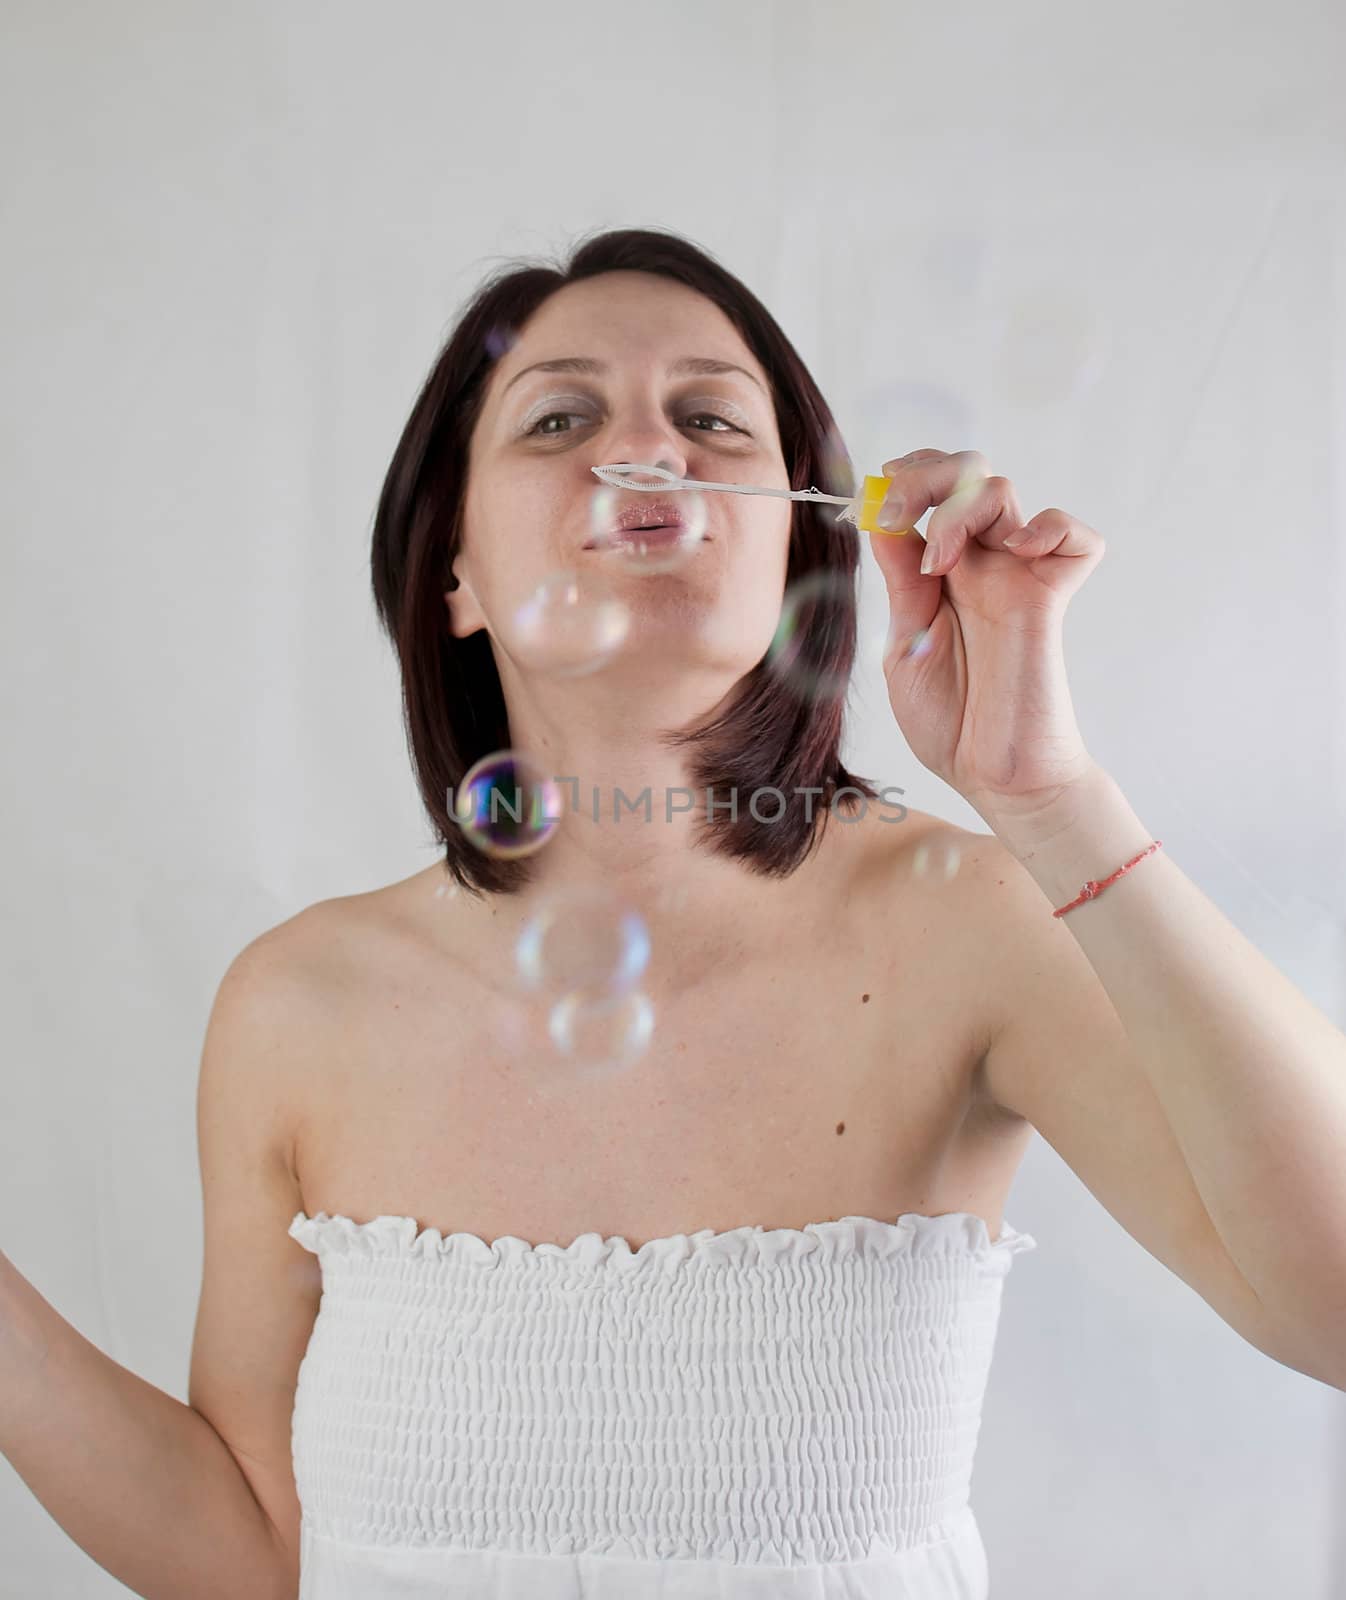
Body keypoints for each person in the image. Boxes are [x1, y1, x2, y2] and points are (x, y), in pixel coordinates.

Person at [6, 226, 1343, 1600]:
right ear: (454, 574)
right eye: (559, 417)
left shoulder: (962, 924)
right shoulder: (298, 1003)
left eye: (708, 415)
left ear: (798, 552)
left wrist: (1047, 795)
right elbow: (255, 1553)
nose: (642, 449)